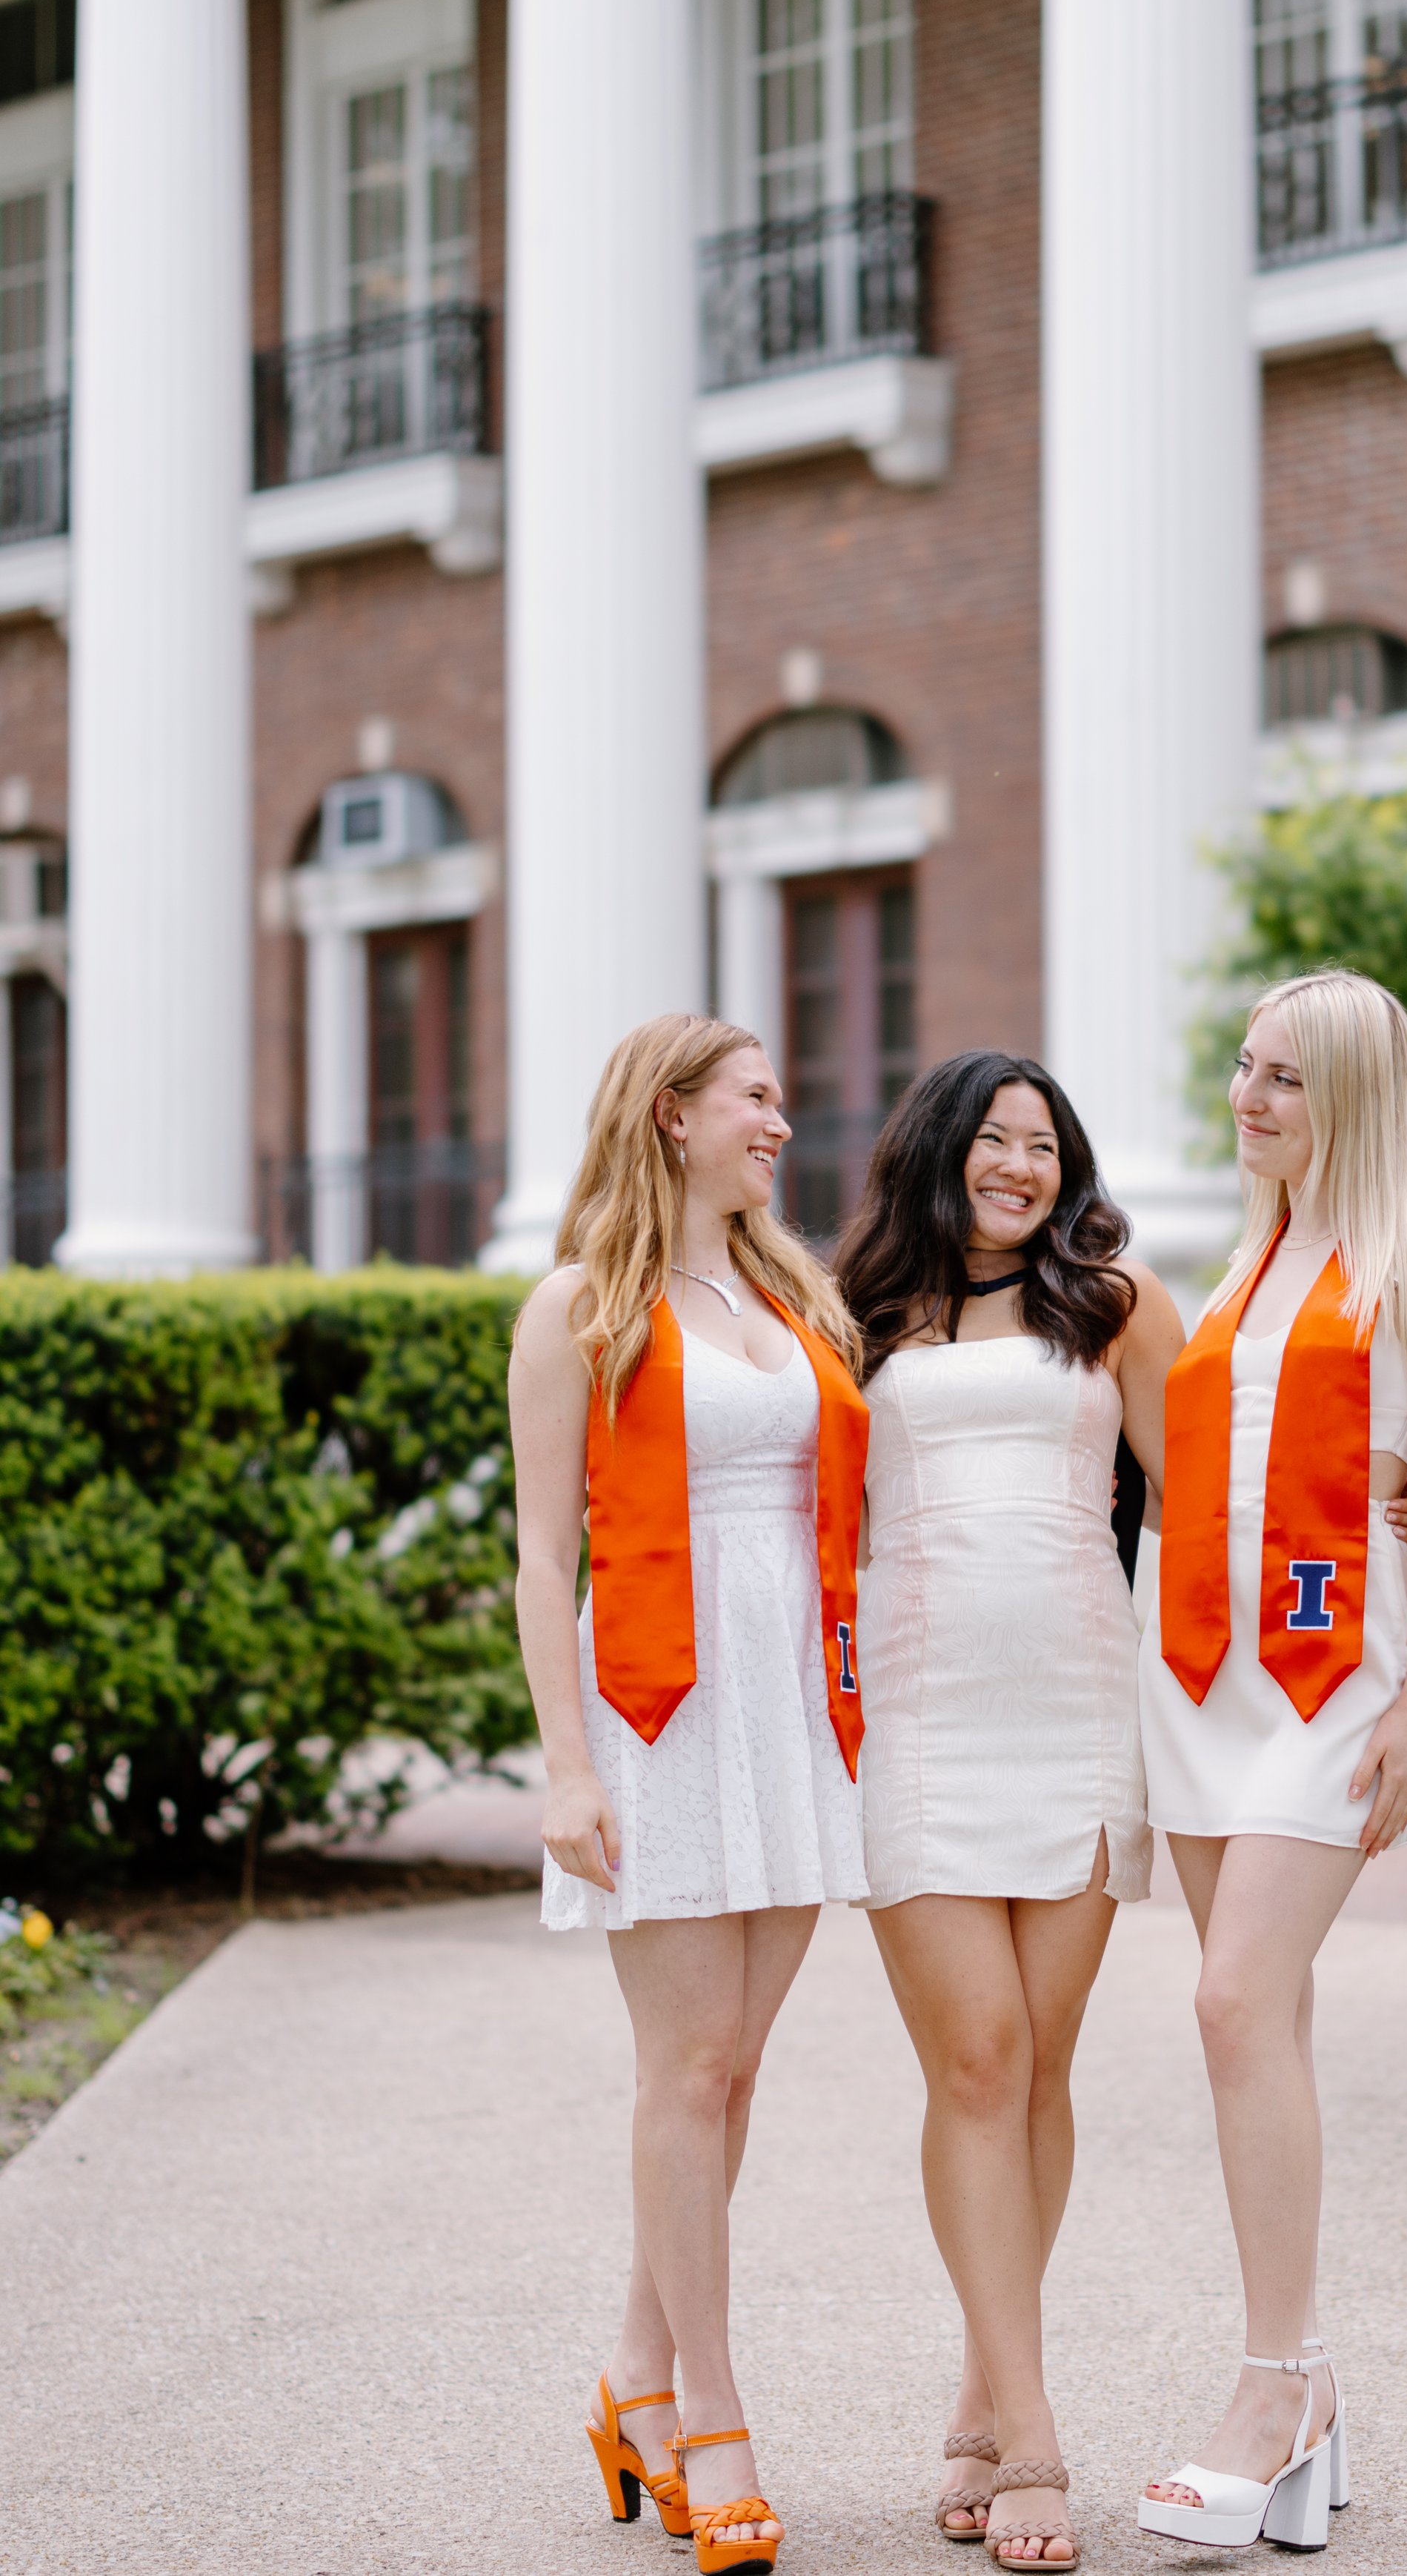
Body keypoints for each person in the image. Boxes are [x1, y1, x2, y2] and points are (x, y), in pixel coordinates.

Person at [1134, 969, 1407, 2555]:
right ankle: (1309, 2392)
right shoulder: (1242, 1268)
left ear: (1349, 1091)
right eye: (1241, 1067)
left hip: (1332, 1674)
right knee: (1251, 2015)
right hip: (1199, 1676)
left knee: (1230, 1999)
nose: (1249, 1096)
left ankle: (1269, 2384)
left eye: (1283, 1076)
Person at [509, 1013, 870, 2576]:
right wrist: (565, 1764)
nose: (780, 1123)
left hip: (789, 1698)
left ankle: (631, 2388)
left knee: (735, 2074)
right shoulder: (578, 1308)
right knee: (688, 2060)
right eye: (755, 1099)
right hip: (654, 1701)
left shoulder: (795, 1293)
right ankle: (708, 2417)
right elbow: (539, 1558)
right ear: (672, 1115)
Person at [833, 1052, 1184, 2569]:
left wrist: (1386, 1506)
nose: (1020, 1166)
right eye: (994, 1139)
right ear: (937, 1150)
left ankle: (984, 2390)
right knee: (975, 2062)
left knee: (1039, 2071)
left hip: (1074, 1713)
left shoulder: (1110, 1305)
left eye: (1044, 1145)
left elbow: (1208, 1501)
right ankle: (1032, 2434)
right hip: (915, 1726)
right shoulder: (855, 1320)